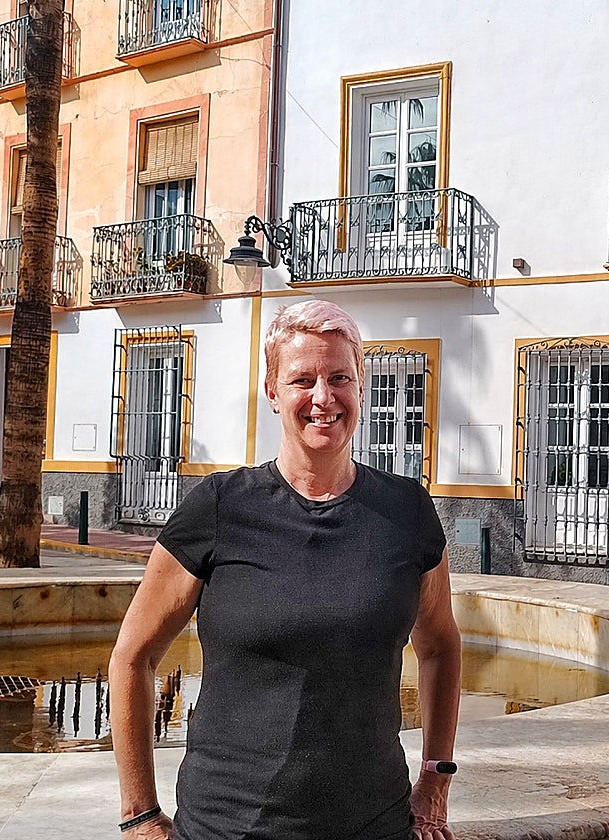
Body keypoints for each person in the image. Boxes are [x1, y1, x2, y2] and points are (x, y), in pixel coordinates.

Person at [109, 299, 461, 840]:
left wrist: (435, 778)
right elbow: (133, 657)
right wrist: (139, 815)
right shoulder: (219, 507)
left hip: (374, 827)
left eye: (340, 378)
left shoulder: (406, 510)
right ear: (273, 392)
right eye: (302, 380)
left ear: (361, 387)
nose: (323, 397)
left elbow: (439, 647)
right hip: (228, 827)